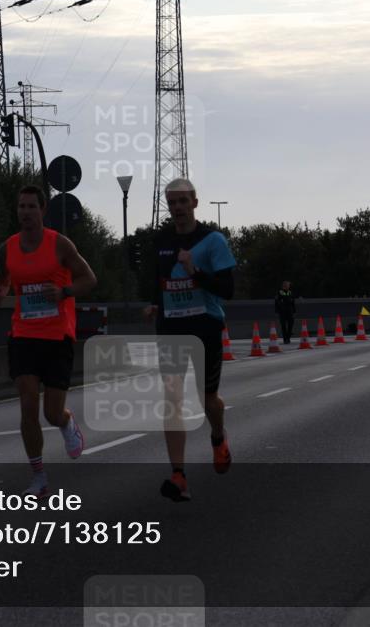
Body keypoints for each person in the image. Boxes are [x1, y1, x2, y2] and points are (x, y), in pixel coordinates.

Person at [0, 185, 98, 497]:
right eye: (21, 207)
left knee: (52, 412)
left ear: (43, 210)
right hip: (23, 334)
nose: (25, 213)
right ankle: (39, 477)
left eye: (31, 207)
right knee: (27, 406)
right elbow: (2, 278)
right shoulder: (7, 248)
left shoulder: (60, 245)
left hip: (57, 335)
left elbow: (90, 279)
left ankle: (66, 423)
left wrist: (63, 292)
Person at [144, 178, 236, 502]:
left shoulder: (212, 241)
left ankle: (217, 435)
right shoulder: (161, 241)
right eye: (172, 203)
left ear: (195, 203)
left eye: (183, 201)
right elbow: (161, 280)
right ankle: (178, 475)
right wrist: (155, 303)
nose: (178, 208)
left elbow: (227, 289)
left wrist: (194, 270)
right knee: (172, 399)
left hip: (206, 327)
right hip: (171, 329)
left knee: (207, 399)